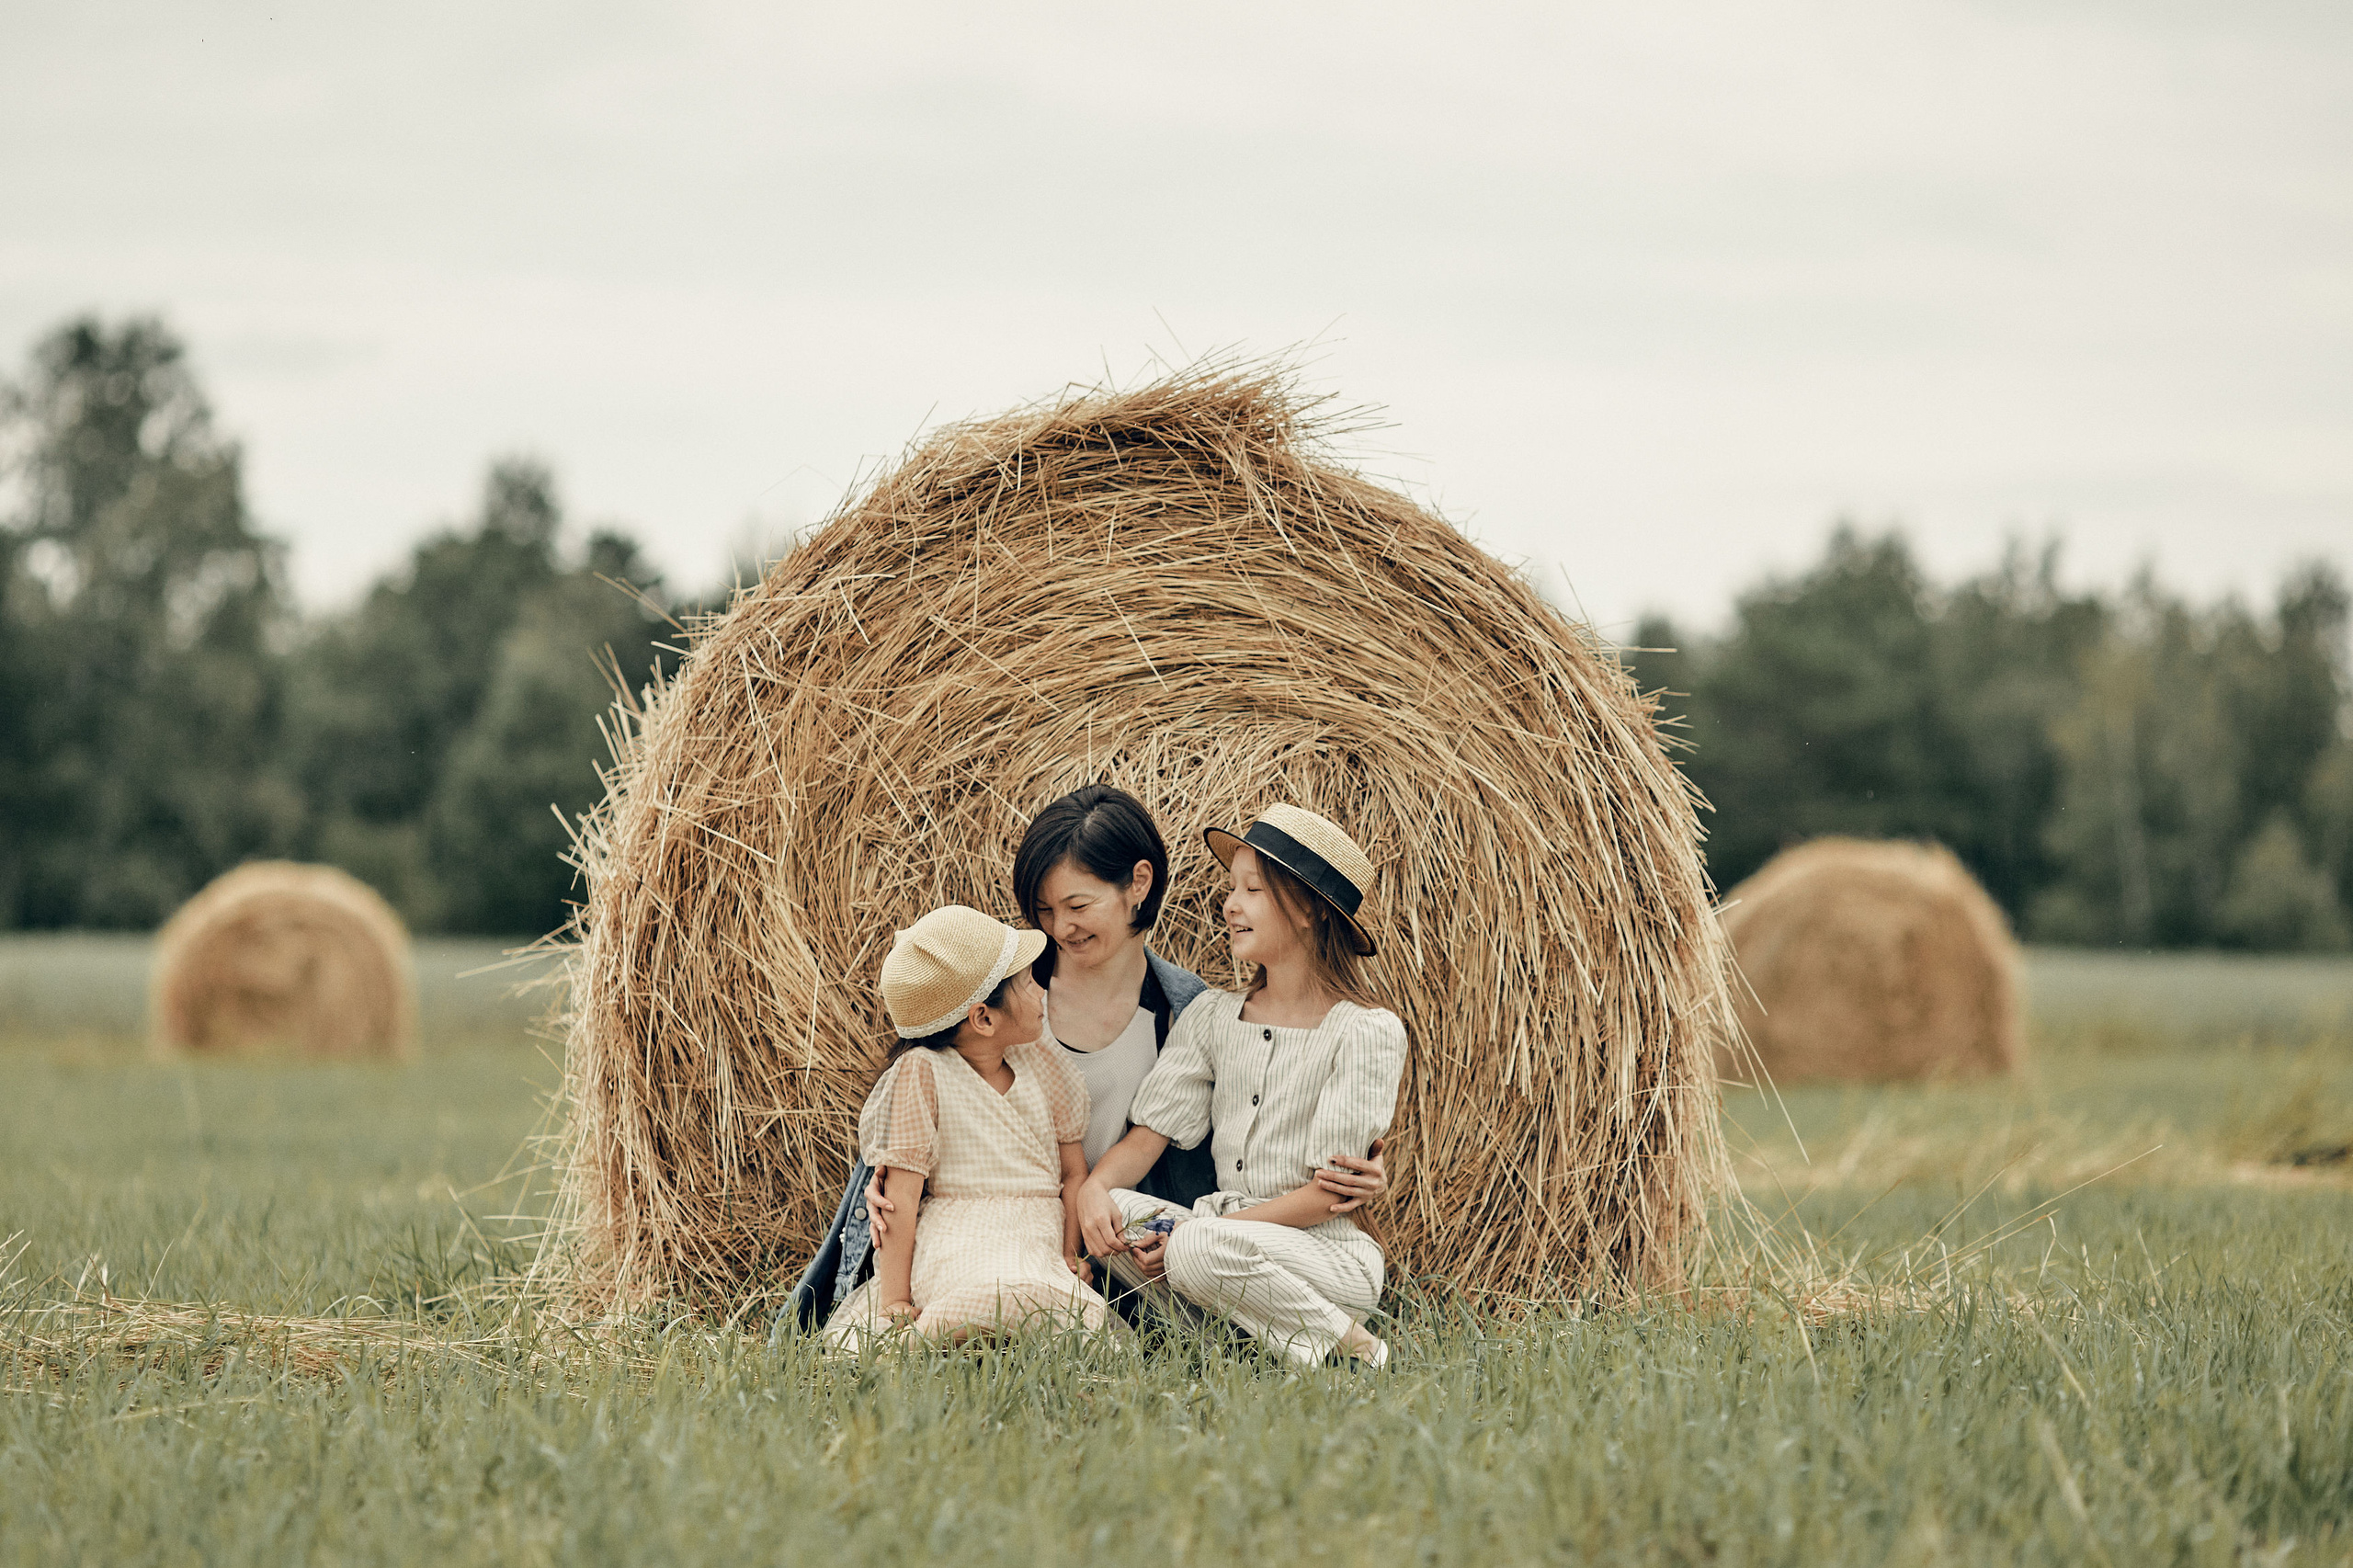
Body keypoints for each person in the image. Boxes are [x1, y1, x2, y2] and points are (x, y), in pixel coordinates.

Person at [788, 785, 1385, 1330]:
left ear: (1139, 884)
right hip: (982, 1234)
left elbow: (1268, 1105)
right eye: (1044, 911)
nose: (1059, 928)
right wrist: (882, 1180)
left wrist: (1358, 1163)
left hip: (1118, 1250)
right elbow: (921, 1095)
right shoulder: (1003, 998)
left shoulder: (1188, 1011)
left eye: (1077, 905)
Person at [1074, 803, 1407, 1368]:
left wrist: (1204, 1233)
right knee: (1123, 1216)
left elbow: (1331, 1194)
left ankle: (1359, 1351)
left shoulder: (1364, 1031)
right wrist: (1094, 1189)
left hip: (1323, 1254)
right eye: (1233, 888)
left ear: (1307, 910)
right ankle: (1245, 1349)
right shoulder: (1212, 1016)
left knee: (1196, 1246)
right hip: (1217, 1233)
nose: (1229, 905)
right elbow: (1149, 1134)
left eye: (1251, 889)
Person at [819, 903, 1107, 1350]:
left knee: (1061, 1305)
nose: (1041, 992)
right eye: (1028, 983)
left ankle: (994, 1333)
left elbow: (1073, 1174)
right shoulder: (924, 1073)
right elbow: (901, 1197)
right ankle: (944, 1333)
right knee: (974, 1284)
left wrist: (1071, 1254)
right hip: (958, 1230)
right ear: (984, 1018)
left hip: (1034, 1230)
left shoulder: (1042, 1062)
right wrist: (895, 1299)